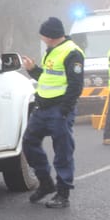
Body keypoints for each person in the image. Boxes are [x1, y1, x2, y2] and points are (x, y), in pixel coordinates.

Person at [21, 17, 85, 209]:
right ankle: (46, 183)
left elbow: (75, 85)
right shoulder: (52, 51)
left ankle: (63, 193)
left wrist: (64, 111)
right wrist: (33, 71)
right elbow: (48, 78)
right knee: (29, 142)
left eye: (43, 35)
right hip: (43, 108)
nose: (41, 38)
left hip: (59, 109)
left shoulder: (72, 52)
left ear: (50, 36)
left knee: (62, 151)